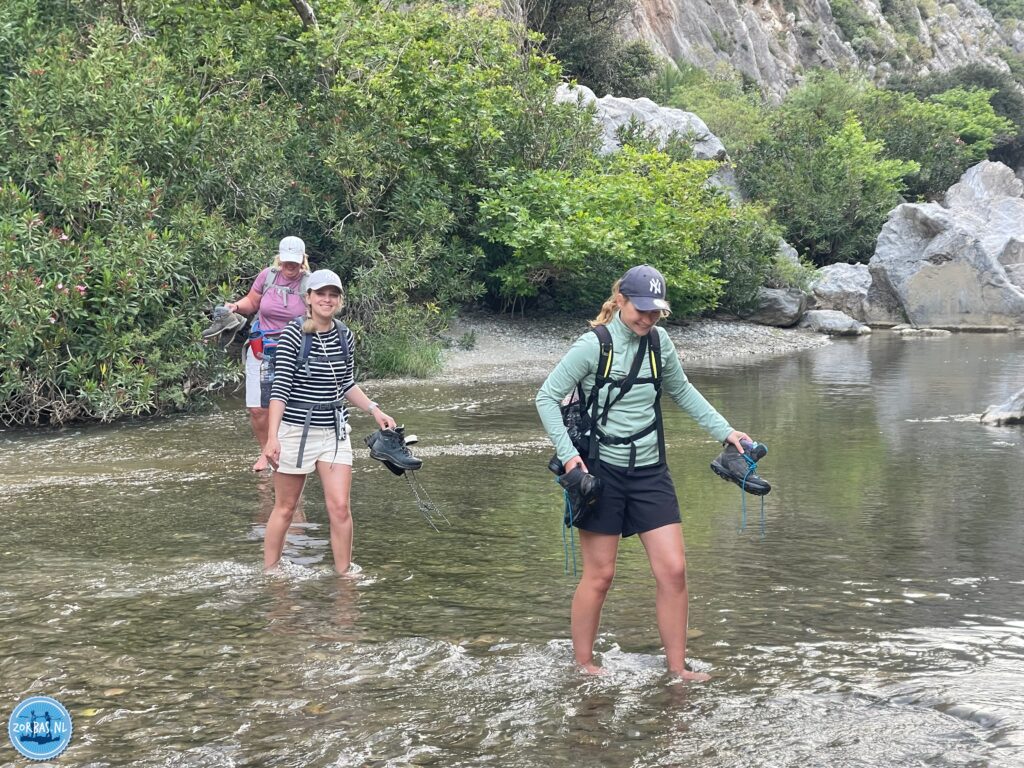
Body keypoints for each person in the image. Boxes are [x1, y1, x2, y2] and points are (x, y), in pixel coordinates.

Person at [535, 264, 752, 681]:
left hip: (651, 470)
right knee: (601, 576)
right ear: (621, 300)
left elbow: (682, 390)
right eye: (641, 310)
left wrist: (726, 431)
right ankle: (583, 665)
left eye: (656, 312)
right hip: (599, 472)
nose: (648, 319)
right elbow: (546, 397)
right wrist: (568, 456)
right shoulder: (592, 345)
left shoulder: (659, 342)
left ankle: (676, 669)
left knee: (673, 570)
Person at [261, 269, 395, 574]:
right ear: (308, 298)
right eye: (320, 293)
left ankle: (344, 574)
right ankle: (270, 572)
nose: (327, 299)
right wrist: (272, 438)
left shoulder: (345, 335)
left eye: (333, 294)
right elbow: (280, 389)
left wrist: (375, 409)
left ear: (339, 300)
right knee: (286, 507)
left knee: (340, 508)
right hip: (295, 431)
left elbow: (347, 383)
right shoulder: (293, 334)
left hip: (334, 431)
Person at [221, 236, 312, 471]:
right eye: (286, 261)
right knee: (257, 408)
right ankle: (265, 452)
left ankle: (288, 452)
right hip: (262, 347)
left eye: (295, 262)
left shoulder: (310, 283)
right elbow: (252, 301)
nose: (289, 267)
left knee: (289, 405)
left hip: (295, 348)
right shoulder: (268, 276)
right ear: (279, 258)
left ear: (303, 259)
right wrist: (235, 307)